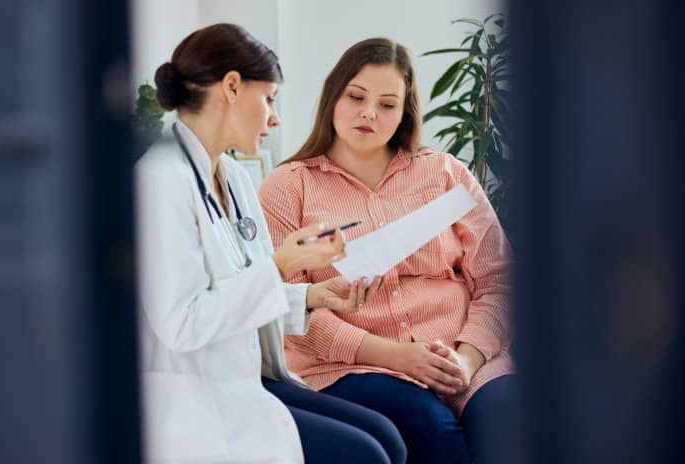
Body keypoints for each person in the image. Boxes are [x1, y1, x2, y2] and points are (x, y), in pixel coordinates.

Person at [135, 24, 406, 463]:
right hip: (196, 400)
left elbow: (248, 287)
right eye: (269, 99)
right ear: (232, 87)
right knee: (367, 455)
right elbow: (182, 324)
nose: (275, 118)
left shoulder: (235, 178)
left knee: (388, 438)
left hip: (243, 381)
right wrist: (281, 265)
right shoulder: (160, 180)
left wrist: (314, 296)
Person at [258, 37, 517, 464]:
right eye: (356, 97)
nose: (368, 113)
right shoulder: (289, 186)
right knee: (433, 428)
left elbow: (499, 281)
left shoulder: (445, 173)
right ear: (333, 96)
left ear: (404, 112)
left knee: (509, 417)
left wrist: (467, 361)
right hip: (356, 365)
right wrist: (399, 357)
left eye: (387, 104)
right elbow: (288, 307)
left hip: (462, 355)